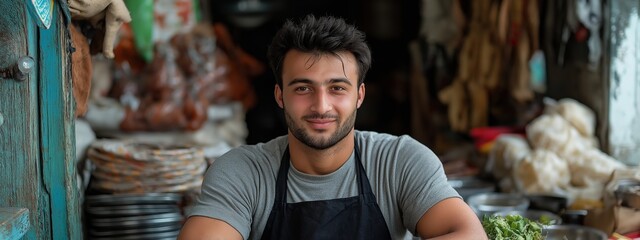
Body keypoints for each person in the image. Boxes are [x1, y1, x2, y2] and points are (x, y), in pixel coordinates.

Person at [178, 14, 486, 240]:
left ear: (359, 96)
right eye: (302, 88)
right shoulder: (243, 171)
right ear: (280, 95)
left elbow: (467, 234)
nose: (321, 106)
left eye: (337, 88)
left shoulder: (399, 160)